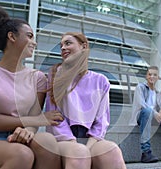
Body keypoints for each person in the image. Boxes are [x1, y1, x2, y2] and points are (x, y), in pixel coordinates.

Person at [0, 4, 64, 169]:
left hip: (22, 136)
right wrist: (35, 120)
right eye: (29, 36)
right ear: (12, 37)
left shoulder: (37, 77)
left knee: (47, 141)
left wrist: (29, 129)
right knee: (21, 154)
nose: (34, 43)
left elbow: (34, 117)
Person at [45, 32, 126, 169]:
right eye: (61, 45)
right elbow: (54, 116)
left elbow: (102, 120)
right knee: (78, 154)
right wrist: (73, 143)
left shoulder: (101, 81)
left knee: (112, 151)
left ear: (83, 46)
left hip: (91, 139)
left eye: (68, 43)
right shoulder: (55, 75)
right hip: (62, 138)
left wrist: (89, 147)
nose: (63, 48)